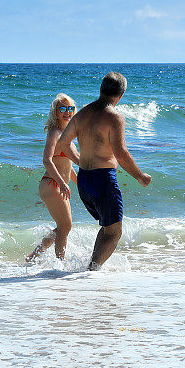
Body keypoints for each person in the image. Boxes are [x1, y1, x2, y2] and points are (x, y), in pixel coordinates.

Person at [56, 72, 151, 270]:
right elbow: (121, 153)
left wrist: (80, 161)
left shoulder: (82, 113)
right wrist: (140, 176)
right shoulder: (114, 116)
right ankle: (92, 272)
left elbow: (64, 143)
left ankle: (90, 272)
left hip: (84, 180)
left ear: (100, 89)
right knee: (114, 231)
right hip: (103, 180)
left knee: (107, 226)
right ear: (121, 95)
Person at [26, 93, 80, 262]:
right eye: (62, 108)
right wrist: (62, 183)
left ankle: (34, 256)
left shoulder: (68, 135)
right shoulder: (54, 133)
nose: (67, 112)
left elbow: (67, 166)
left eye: (70, 108)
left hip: (58, 184)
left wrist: (81, 182)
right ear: (55, 112)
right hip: (51, 184)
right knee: (66, 226)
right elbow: (47, 160)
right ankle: (60, 265)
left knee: (63, 227)